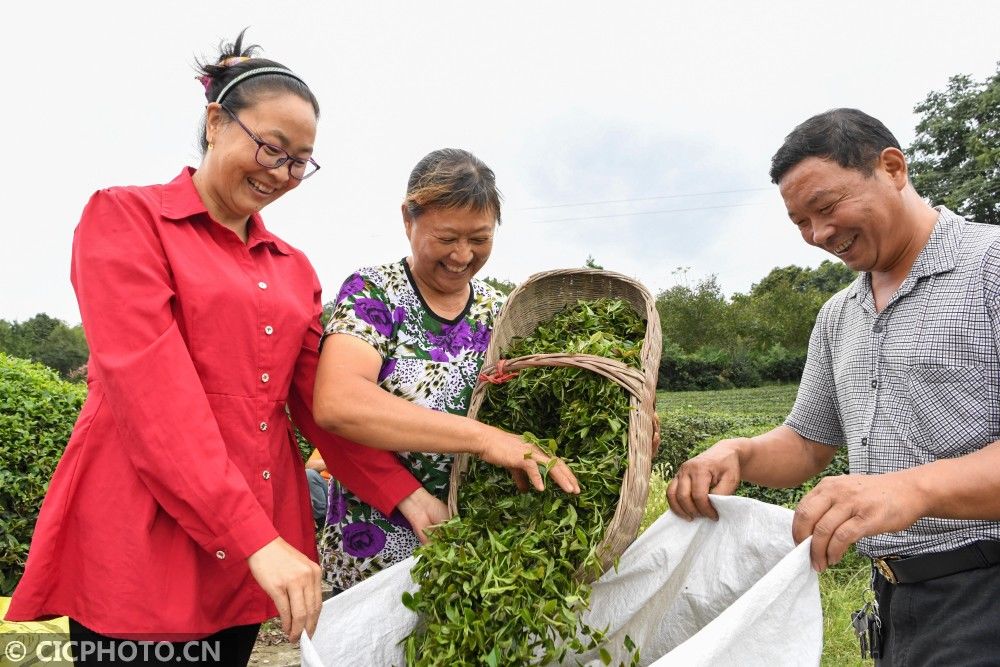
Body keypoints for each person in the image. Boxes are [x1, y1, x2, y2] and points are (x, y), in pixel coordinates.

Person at [3, 30, 419, 665]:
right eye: (272, 148)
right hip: (147, 537)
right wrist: (256, 540)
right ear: (217, 121)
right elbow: (152, 398)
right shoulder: (126, 218)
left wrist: (408, 496)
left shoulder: (293, 268)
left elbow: (320, 403)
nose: (281, 173)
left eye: (300, 161)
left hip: (247, 548)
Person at [667, 108, 1000, 663]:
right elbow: (808, 443)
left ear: (892, 167)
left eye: (825, 208)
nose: (818, 235)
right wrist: (739, 453)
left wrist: (909, 490)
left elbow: (905, 490)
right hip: (896, 599)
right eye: (800, 222)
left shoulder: (990, 267)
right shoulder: (838, 315)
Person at [312, 149, 581, 591]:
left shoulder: (500, 314)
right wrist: (483, 438)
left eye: (479, 239)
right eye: (447, 237)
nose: (462, 255)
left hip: (475, 550)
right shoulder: (375, 294)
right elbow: (338, 402)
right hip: (377, 549)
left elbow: (531, 409)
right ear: (408, 219)